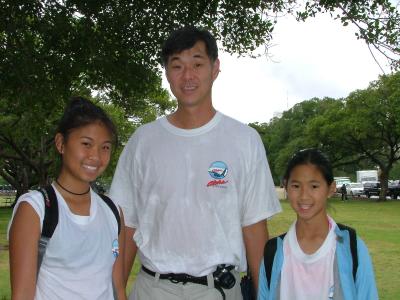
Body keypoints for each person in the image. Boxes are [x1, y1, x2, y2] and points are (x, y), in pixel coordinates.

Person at [109, 26, 282, 300]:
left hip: (219, 290)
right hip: (153, 289)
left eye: (197, 64)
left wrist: (265, 296)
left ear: (215, 69)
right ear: (166, 73)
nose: (187, 76)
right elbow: (127, 224)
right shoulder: (143, 141)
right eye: (177, 66)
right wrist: (117, 292)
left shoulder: (245, 140)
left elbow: (254, 228)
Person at [8, 97, 127, 300]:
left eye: (105, 147)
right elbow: (22, 295)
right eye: (86, 144)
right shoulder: (35, 209)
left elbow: (118, 289)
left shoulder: (113, 211)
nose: (96, 156)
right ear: (61, 143)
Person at [257, 149, 378, 300]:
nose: (304, 196)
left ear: (331, 188)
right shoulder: (274, 252)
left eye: (314, 186)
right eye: (296, 186)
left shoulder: (352, 248)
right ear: (286, 186)